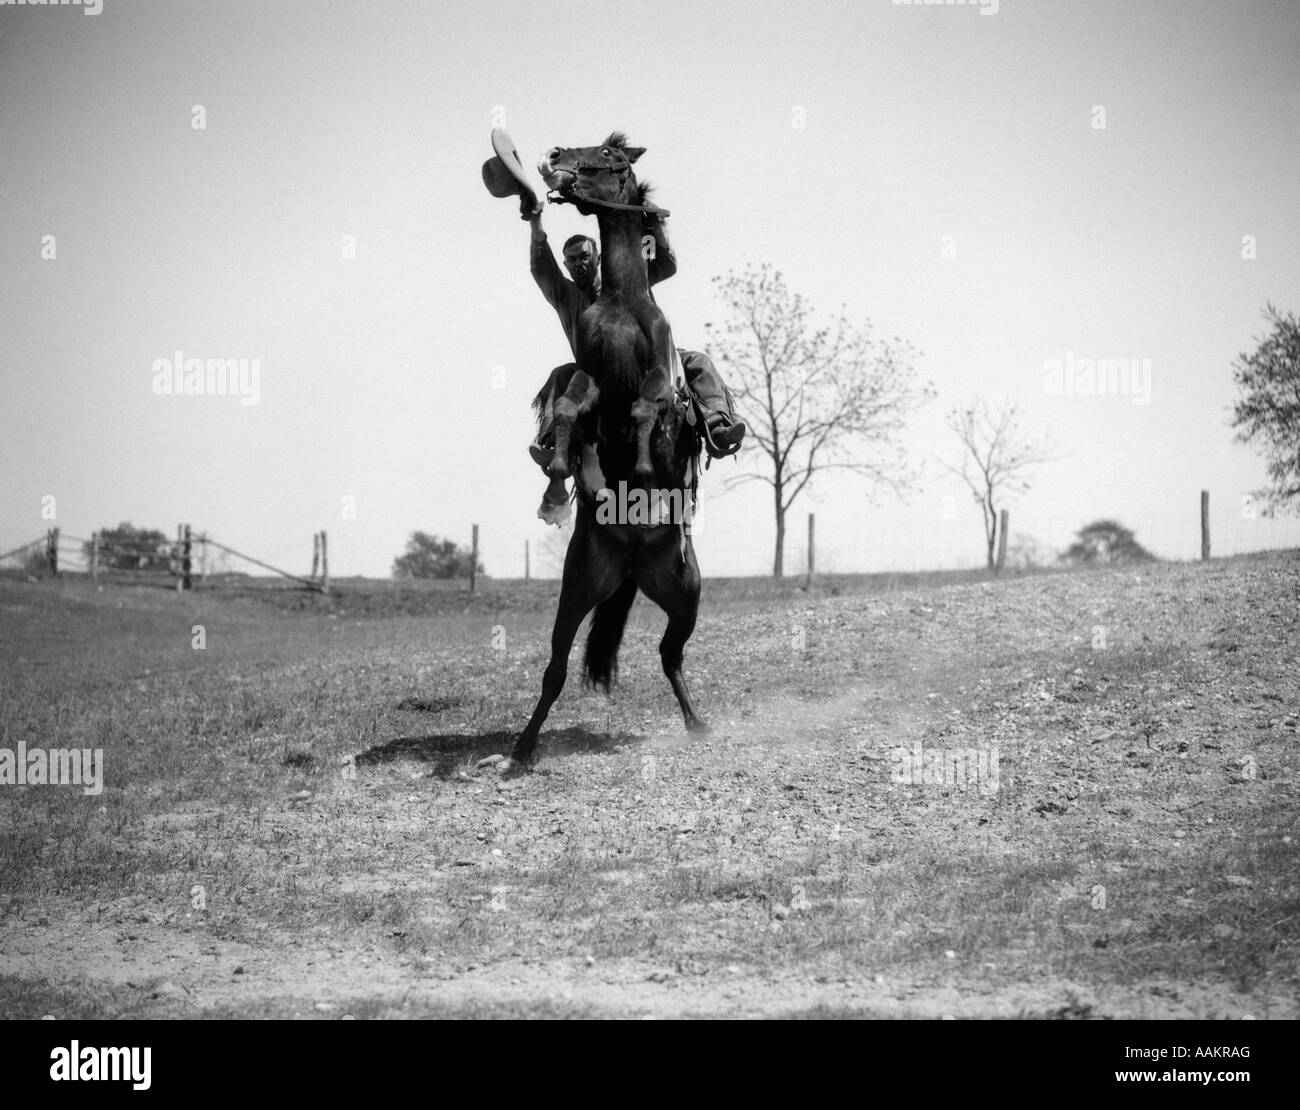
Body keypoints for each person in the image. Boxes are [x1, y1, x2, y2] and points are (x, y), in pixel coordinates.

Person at [521, 198, 745, 483]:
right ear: (565, 265)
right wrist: (535, 222)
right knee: (561, 375)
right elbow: (541, 267)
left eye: (584, 256)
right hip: (595, 376)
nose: (579, 263)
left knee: (698, 361)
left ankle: (717, 429)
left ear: (598, 258)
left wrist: (655, 222)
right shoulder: (567, 297)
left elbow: (666, 265)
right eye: (572, 259)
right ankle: (554, 445)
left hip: (652, 364)